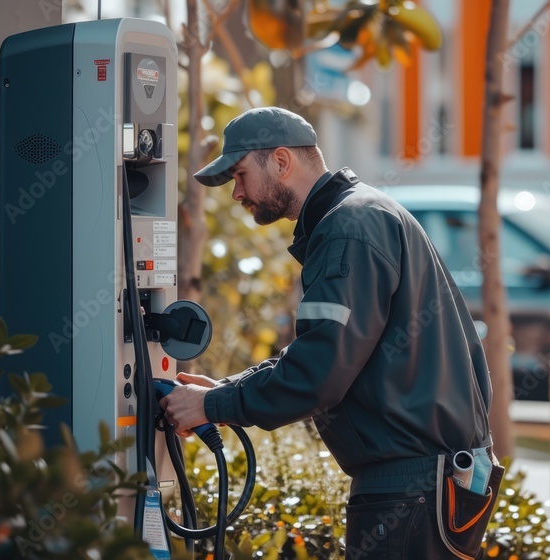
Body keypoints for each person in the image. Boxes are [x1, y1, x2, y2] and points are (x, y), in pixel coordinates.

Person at [160, 107, 499, 559]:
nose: (237, 193)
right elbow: (325, 351)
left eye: (240, 175)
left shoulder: (348, 229)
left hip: (411, 487)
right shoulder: (362, 216)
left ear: (282, 161)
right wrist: (225, 391)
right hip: (429, 481)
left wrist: (213, 403)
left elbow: (319, 371)